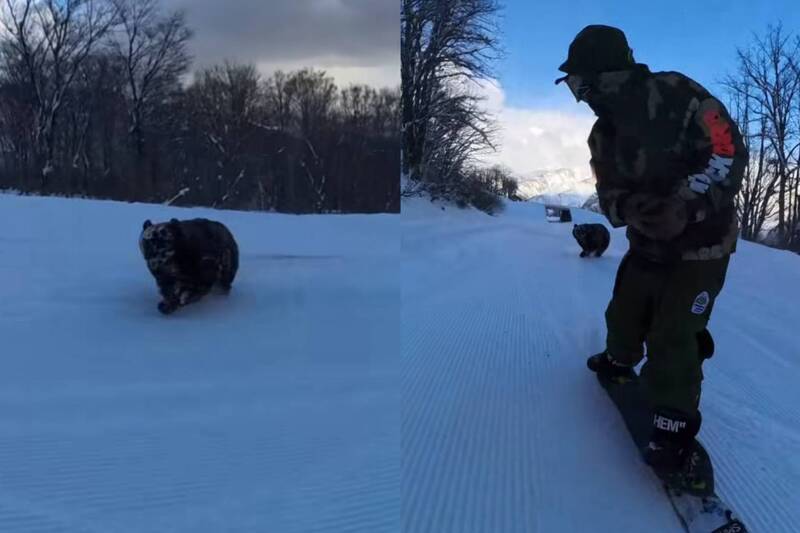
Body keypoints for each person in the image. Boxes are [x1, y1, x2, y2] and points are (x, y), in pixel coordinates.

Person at [555, 25, 746, 477]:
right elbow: (609, 193)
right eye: (574, 88)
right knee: (626, 309)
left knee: (674, 335)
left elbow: (728, 154)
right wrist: (630, 209)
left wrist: (685, 208)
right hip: (647, 244)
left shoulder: (679, 95)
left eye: (581, 85)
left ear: (606, 76)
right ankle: (619, 359)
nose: (579, 97)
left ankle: (673, 430)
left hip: (702, 248)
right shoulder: (603, 135)